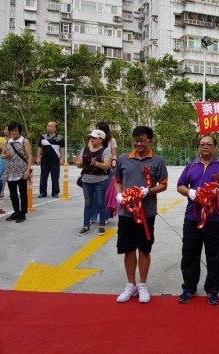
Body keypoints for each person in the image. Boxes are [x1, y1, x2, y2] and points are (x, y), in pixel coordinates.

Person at [177, 135, 219, 306]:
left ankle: (213, 289)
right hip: (192, 217)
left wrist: (215, 192)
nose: (205, 147)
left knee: (215, 256)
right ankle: (189, 287)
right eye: (202, 144)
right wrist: (190, 192)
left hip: (214, 218)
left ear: (215, 147)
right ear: (198, 147)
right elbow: (180, 185)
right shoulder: (191, 166)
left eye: (209, 144)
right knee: (189, 254)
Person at [114, 126, 168, 304]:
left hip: (147, 212)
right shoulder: (123, 159)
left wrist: (149, 191)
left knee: (144, 248)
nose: (139, 143)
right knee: (128, 249)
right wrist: (119, 194)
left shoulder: (157, 161)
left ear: (150, 141)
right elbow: (118, 181)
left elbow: (163, 184)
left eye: (142, 140)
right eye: (136, 140)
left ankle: (143, 285)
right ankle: (131, 285)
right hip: (126, 212)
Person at [73, 129, 112, 236]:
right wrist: (77, 162)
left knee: (101, 203)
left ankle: (102, 225)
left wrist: (96, 163)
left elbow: (106, 166)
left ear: (101, 139)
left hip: (100, 180)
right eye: (91, 137)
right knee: (88, 203)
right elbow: (81, 164)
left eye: (94, 137)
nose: (92, 139)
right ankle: (86, 226)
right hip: (86, 180)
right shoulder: (85, 149)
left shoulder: (106, 151)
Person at [1, 122, 33, 223]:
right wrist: (4, 156)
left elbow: (29, 156)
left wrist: (28, 170)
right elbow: (2, 154)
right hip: (10, 170)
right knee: (13, 193)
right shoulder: (7, 141)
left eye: (16, 130)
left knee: (23, 192)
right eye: (12, 131)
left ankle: (22, 213)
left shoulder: (24, 141)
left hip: (21, 170)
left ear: (19, 131)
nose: (13, 132)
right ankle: (16, 211)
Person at [90, 122, 118, 224]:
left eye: (98, 129)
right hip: (94, 169)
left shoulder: (111, 140)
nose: (95, 131)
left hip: (107, 169)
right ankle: (92, 216)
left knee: (105, 193)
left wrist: (114, 164)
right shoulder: (92, 140)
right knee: (94, 194)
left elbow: (114, 155)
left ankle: (105, 216)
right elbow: (89, 152)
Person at [36, 121, 65, 198]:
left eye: (51, 126)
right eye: (48, 126)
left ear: (55, 128)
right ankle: (42, 192)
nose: (48, 128)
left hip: (55, 160)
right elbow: (40, 148)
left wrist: (62, 158)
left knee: (55, 177)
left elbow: (62, 149)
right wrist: (38, 157)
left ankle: (55, 192)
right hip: (45, 160)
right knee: (43, 177)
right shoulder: (43, 136)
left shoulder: (60, 137)